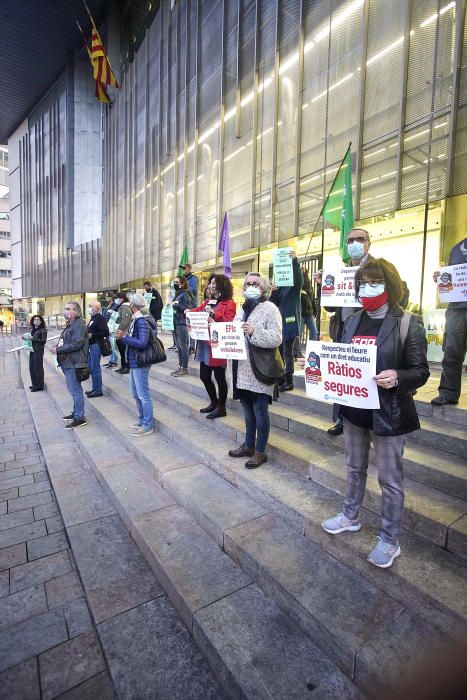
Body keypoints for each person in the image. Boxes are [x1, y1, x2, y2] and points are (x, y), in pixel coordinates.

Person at [310, 258, 429, 569]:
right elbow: (342, 360)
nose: (366, 288)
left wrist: (398, 378)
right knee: (353, 468)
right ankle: (350, 516)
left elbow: (420, 371)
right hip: (354, 412)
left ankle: (389, 539)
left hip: (388, 414)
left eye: (373, 282)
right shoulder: (351, 322)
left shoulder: (407, 323)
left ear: (388, 285)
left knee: (390, 481)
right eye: (362, 283)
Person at [313, 228, 373, 436]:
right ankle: (341, 419)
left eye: (359, 239)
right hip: (343, 331)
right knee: (342, 375)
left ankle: (366, 418)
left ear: (368, 243)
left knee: (363, 377)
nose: (354, 243)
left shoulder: (378, 268)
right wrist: (323, 287)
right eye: (350, 240)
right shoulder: (341, 271)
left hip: (367, 332)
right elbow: (330, 308)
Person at [228, 272, 282, 469]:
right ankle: (248, 445)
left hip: (260, 370)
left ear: (263, 288)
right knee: (247, 412)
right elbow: (233, 333)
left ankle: (260, 451)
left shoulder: (270, 308)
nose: (251, 287)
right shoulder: (242, 309)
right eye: (248, 284)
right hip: (242, 369)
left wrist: (254, 332)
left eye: (255, 284)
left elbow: (277, 338)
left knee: (260, 411)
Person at [187, 274, 236, 419]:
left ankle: (221, 407)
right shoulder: (209, 301)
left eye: (214, 283)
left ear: (222, 286)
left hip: (217, 344)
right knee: (204, 376)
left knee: (220, 377)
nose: (211, 285)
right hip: (204, 342)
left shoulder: (230, 303)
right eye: (211, 283)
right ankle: (214, 402)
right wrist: (189, 312)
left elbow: (229, 321)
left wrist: (214, 315)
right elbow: (199, 310)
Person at [431, 237, 467, 406]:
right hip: (456, 309)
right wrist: (440, 277)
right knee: (452, 351)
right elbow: (449, 276)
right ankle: (448, 393)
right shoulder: (456, 248)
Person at [116, 294, 156, 437]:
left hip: (141, 361)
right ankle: (142, 420)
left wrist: (125, 337)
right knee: (135, 393)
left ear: (133, 306)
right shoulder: (137, 320)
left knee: (143, 395)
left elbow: (142, 343)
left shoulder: (141, 321)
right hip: (135, 361)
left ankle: (148, 424)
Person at [51, 302, 89, 429]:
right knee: (73, 390)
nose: (65, 311)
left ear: (76, 312)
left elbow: (77, 344)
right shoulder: (72, 323)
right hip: (68, 361)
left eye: (68, 309)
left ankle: (80, 417)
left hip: (74, 362)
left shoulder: (79, 324)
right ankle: (76, 413)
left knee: (75, 391)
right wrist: (58, 347)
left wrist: (58, 350)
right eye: (65, 308)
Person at [270, 250, 303, 392]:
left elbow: (298, 278)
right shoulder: (280, 287)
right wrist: (274, 292)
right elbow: (273, 303)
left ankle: (289, 380)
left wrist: (295, 262)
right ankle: (282, 378)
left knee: (287, 351)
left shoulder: (294, 286)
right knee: (280, 351)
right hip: (280, 324)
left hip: (291, 323)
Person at [169, 275, 194, 376]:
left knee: (183, 346)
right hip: (174, 322)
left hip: (182, 323)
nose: (174, 284)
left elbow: (188, 308)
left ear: (182, 284)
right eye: (174, 282)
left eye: (176, 282)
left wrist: (175, 305)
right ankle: (180, 366)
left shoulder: (186, 294)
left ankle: (184, 367)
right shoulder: (177, 294)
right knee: (179, 346)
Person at [85, 301, 109, 398]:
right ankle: (95, 388)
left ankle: (98, 390)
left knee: (95, 368)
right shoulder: (93, 318)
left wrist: (92, 335)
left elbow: (105, 332)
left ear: (96, 308)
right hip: (91, 345)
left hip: (96, 345)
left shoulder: (100, 318)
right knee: (91, 367)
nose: (89, 308)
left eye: (90, 306)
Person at [26, 315, 47, 392]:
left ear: (41, 321)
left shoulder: (43, 330)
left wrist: (33, 338)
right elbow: (31, 339)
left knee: (38, 368)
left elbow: (43, 341)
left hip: (38, 351)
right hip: (32, 350)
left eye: (38, 319)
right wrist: (26, 338)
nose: (36, 321)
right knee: (32, 367)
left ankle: (39, 386)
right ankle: (35, 384)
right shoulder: (33, 329)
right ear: (32, 321)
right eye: (35, 319)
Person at [114, 292, 132, 374]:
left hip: (123, 333)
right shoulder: (121, 306)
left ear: (121, 298)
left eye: (117, 298)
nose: (116, 300)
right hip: (121, 332)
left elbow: (125, 320)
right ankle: (123, 366)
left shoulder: (125, 307)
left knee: (124, 351)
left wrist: (119, 330)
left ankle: (126, 367)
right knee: (121, 351)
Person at [183, 264, 199, 354]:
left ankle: (192, 347)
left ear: (188, 269)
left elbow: (194, 291)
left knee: (191, 326)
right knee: (185, 327)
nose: (182, 270)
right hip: (184, 305)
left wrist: (184, 286)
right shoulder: (183, 279)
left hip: (191, 305)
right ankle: (185, 345)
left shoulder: (193, 279)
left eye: (184, 268)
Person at [103, 293, 120, 367]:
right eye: (106, 297)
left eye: (108, 297)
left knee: (114, 344)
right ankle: (111, 360)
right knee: (110, 344)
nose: (106, 298)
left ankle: (114, 361)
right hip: (107, 326)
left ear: (112, 298)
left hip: (112, 327)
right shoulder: (107, 306)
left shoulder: (115, 306)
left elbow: (116, 316)